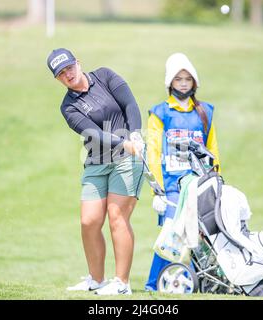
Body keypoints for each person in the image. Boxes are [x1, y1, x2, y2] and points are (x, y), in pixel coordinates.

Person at [46, 48, 145, 295]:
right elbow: (93, 134)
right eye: (61, 73)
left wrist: (135, 134)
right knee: (88, 221)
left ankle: (121, 283)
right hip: (97, 163)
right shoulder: (68, 107)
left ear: (78, 63)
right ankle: (96, 279)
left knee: (116, 217)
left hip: (126, 161)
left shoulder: (105, 76)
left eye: (69, 67)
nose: (67, 74)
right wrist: (124, 143)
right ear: (58, 79)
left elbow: (130, 103)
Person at [144, 53, 221, 291]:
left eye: (188, 78)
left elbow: (213, 150)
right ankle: (153, 285)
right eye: (179, 79)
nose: (184, 83)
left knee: (200, 235)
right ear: (170, 82)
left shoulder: (205, 112)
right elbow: (154, 154)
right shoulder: (159, 113)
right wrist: (156, 191)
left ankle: (202, 283)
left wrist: (217, 183)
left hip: (200, 185)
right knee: (172, 234)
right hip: (171, 187)